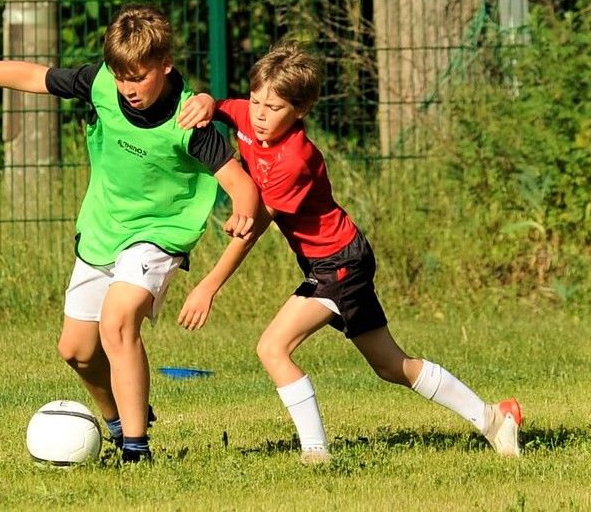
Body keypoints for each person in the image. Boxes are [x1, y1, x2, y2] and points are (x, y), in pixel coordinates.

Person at [0, 3, 258, 463]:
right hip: (102, 228)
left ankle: (136, 450)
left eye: (139, 76)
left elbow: (240, 184)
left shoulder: (190, 120)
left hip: (159, 232)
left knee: (118, 319)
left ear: (165, 65)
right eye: (121, 75)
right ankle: (119, 420)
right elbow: (31, 76)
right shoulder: (101, 84)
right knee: (77, 351)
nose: (128, 88)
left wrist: (243, 211)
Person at [176, 40, 521, 464]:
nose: (261, 115)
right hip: (339, 259)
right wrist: (208, 101)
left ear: (300, 110)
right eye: (257, 101)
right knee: (390, 365)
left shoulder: (294, 159)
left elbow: (256, 226)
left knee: (272, 348)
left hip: (338, 262)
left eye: (275, 107)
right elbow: (227, 108)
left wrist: (209, 286)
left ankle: (316, 455)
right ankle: (493, 416)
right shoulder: (252, 113)